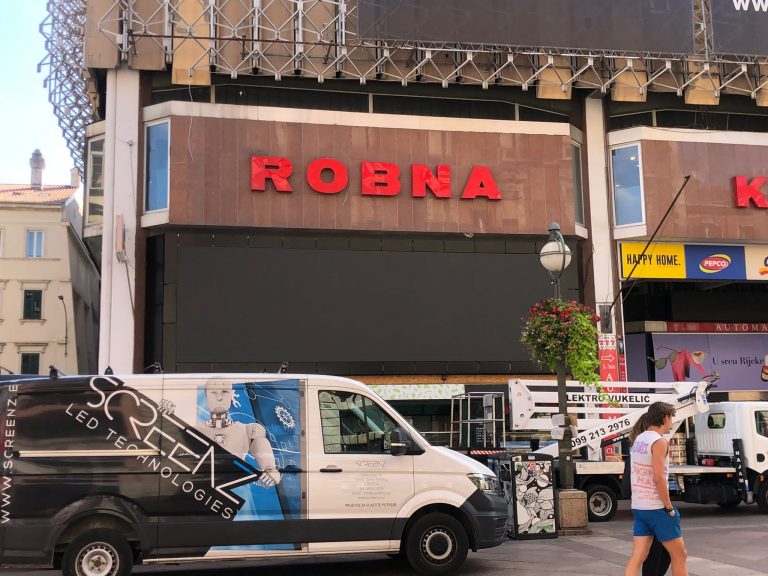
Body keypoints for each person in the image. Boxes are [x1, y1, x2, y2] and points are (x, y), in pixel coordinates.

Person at [625, 402, 688, 576]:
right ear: (665, 418)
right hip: (657, 507)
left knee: (637, 557)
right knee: (679, 556)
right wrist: (669, 507)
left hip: (639, 506)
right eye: (671, 418)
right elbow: (658, 477)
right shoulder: (659, 441)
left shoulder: (639, 439)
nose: (671, 422)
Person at [199, 378, 282, 488]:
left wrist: (271, 470)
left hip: (233, 489)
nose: (219, 397)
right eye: (213, 392)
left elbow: (259, 443)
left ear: (231, 395)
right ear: (207, 396)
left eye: (224, 392)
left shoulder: (247, 430)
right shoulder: (195, 430)